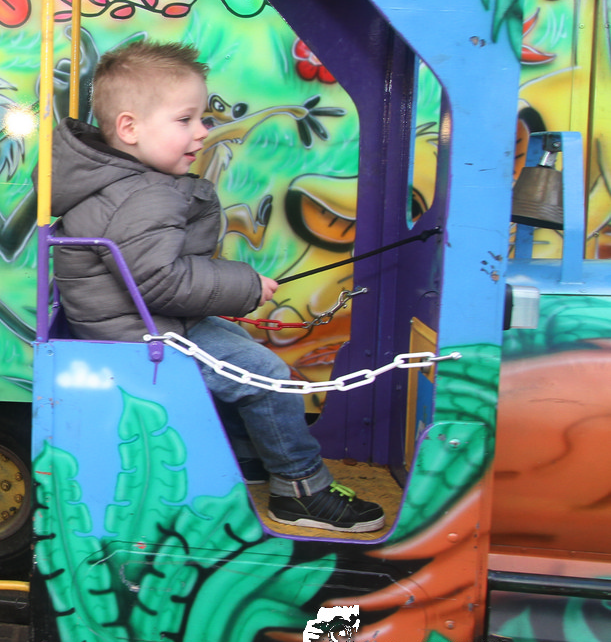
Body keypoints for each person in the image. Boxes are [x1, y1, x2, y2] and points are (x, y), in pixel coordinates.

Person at [51, 40, 384, 533]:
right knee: (266, 374)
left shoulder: (124, 182)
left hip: (143, 323)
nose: (202, 131)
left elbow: (153, 270)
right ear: (129, 128)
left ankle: (250, 456)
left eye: (201, 118)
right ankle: (299, 489)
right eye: (185, 119)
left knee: (238, 345)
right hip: (141, 336)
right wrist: (246, 284)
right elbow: (159, 280)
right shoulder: (142, 194)